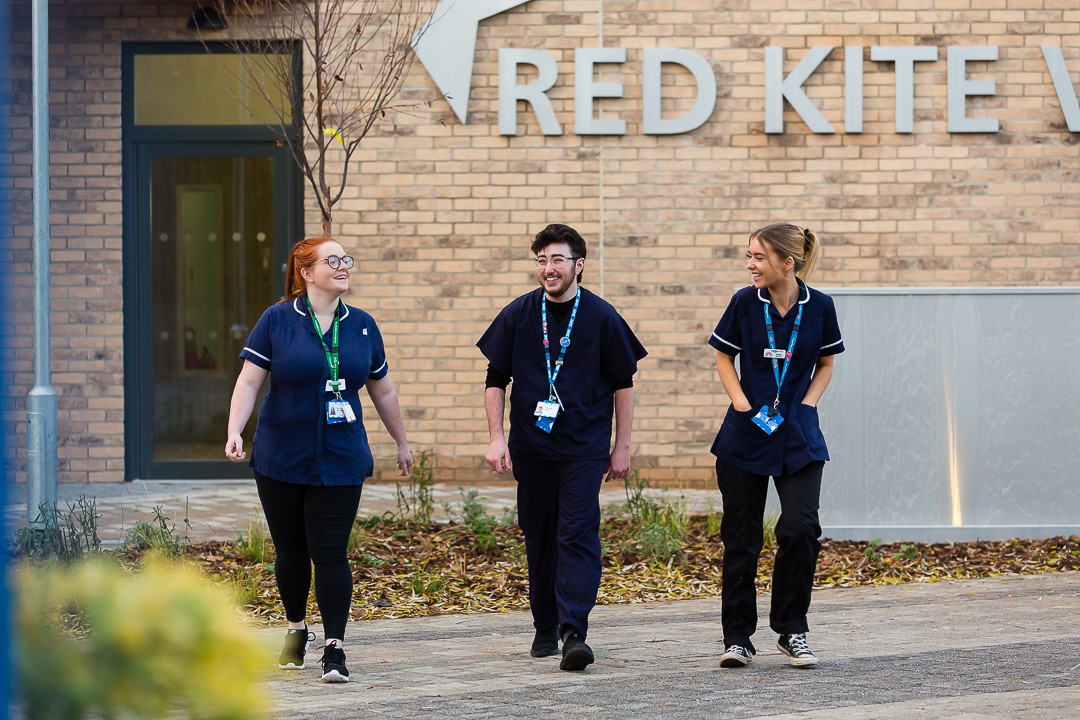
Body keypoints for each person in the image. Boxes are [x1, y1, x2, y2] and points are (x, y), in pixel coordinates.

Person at [225, 236, 413, 683]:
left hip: (342, 455)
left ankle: (335, 647)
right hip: (281, 455)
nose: (343, 266)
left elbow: (382, 389)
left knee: (330, 551)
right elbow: (250, 381)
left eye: (346, 258)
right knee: (291, 550)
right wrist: (235, 429)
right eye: (332, 260)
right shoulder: (277, 320)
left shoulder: (363, 325)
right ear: (306, 272)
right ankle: (295, 628)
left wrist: (402, 443)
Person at [478, 223, 647, 672]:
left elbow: (624, 383)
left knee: (576, 533)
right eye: (541, 260)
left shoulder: (601, 316)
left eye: (557, 260)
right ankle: (544, 624)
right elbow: (496, 379)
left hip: (584, 448)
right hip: (531, 448)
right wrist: (497, 437)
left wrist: (621, 445)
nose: (548, 269)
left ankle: (574, 630)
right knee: (539, 536)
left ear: (579, 266)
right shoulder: (518, 313)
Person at [708, 223, 844, 669]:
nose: (750, 265)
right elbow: (723, 357)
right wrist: (743, 404)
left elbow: (825, 364)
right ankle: (738, 638)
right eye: (748, 256)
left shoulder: (819, 306)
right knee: (741, 537)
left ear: (788, 262)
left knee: (801, 529)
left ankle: (792, 630)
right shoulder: (744, 303)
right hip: (746, 433)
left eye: (758, 257)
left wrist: (807, 403)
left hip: (798, 435)